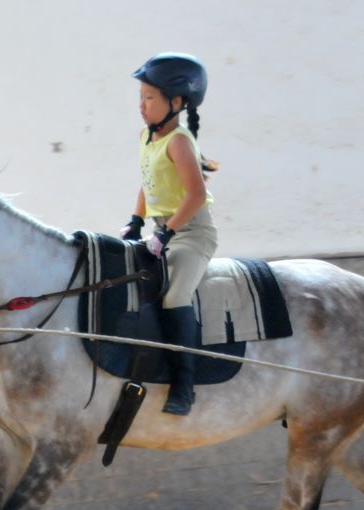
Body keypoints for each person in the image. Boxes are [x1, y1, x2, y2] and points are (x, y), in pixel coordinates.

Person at [120, 52, 218, 416]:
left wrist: (168, 233)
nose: (142, 106)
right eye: (141, 97)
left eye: (149, 98)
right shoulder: (149, 138)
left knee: (175, 297)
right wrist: (135, 218)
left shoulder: (179, 141)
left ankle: (184, 385)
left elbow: (195, 196)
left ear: (176, 102)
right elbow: (149, 181)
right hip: (163, 230)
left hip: (192, 233)